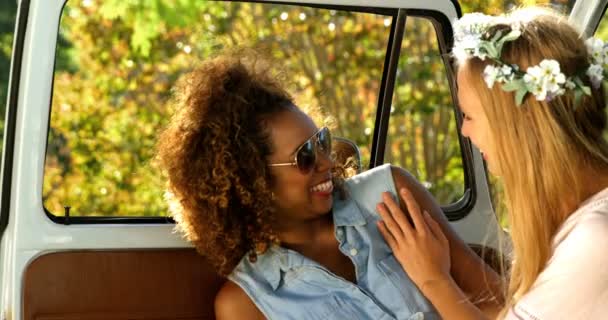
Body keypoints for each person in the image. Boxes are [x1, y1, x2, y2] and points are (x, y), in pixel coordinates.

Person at [155, 50, 502, 319]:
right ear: (251, 183)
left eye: (321, 140)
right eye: (305, 156)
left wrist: (438, 282)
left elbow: (501, 304)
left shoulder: (390, 195)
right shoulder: (246, 303)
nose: (327, 161)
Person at [377, 7, 608, 320]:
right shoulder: (582, 218)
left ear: (520, 123)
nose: (464, 131)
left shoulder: (594, 241)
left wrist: (433, 279)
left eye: (470, 116)